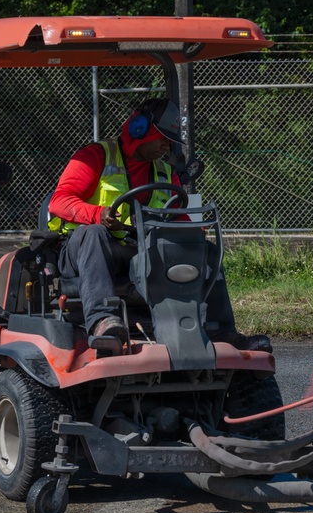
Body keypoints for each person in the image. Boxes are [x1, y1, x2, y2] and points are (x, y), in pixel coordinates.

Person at [48, 98, 266, 352]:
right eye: (163, 138)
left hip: (136, 249)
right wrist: (98, 214)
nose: (166, 146)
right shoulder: (96, 156)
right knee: (95, 233)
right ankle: (102, 321)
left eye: (170, 140)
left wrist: (192, 234)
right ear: (139, 128)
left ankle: (223, 332)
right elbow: (59, 202)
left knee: (205, 249)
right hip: (81, 250)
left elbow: (178, 213)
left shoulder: (164, 170)